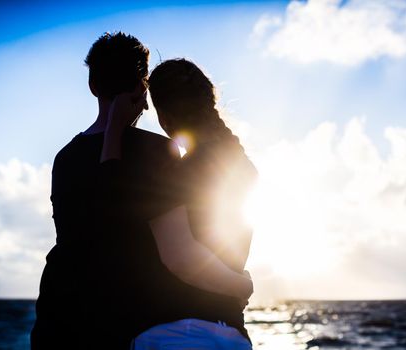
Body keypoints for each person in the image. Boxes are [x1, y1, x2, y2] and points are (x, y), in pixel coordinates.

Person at [31, 33, 253, 350]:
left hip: (58, 317)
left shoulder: (64, 158)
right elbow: (179, 254)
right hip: (117, 324)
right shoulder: (157, 151)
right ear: (142, 88)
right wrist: (240, 286)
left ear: (93, 87)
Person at [100, 58, 257, 350]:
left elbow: (182, 260)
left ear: (164, 118)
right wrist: (241, 284)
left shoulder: (167, 170)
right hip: (231, 333)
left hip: (176, 333)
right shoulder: (240, 166)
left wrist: (113, 131)